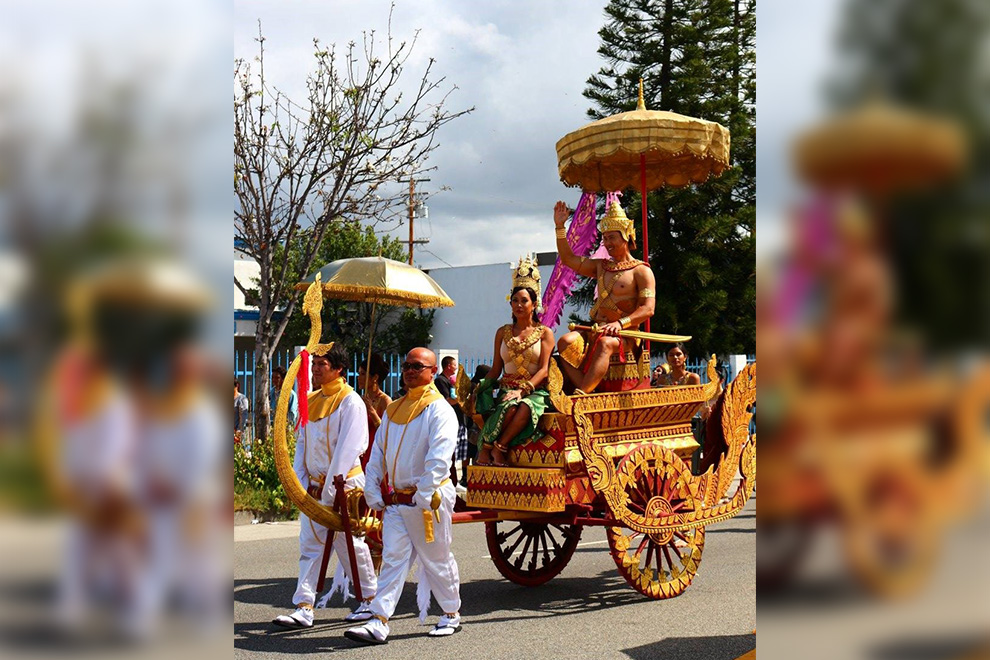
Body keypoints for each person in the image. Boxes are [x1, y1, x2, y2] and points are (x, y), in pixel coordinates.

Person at [344, 348, 462, 645]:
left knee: (435, 559)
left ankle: (451, 613)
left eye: (417, 366)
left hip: (428, 500)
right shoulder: (394, 408)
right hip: (397, 500)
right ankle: (379, 620)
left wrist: (424, 493)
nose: (410, 370)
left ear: (433, 372)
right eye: (407, 365)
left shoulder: (440, 410)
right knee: (393, 558)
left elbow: (439, 457)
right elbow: (378, 453)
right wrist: (373, 488)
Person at [272, 345, 378, 629]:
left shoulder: (351, 402)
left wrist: (331, 490)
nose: (316, 369)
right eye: (315, 363)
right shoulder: (310, 399)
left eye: (322, 364)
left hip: (345, 486)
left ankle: (370, 600)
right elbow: (303, 444)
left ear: (339, 368)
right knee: (310, 544)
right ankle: (304, 606)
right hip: (314, 487)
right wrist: (300, 483)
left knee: (351, 545)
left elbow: (348, 448)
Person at [553, 200, 657, 393]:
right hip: (596, 328)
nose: (607, 243)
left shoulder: (641, 271)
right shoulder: (601, 266)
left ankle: (583, 393)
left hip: (626, 334)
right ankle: (585, 388)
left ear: (626, 236)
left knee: (605, 343)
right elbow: (568, 259)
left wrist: (620, 324)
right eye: (605, 238)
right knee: (565, 342)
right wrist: (560, 227)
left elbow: (648, 309)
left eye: (612, 238)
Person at [475, 256, 555, 467]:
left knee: (524, 406)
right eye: (515, 300)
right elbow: (496, 369)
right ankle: (487, 449)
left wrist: (522, 390)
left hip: (534, 390)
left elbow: (544, 370)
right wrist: (479, 387)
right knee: (509, 407)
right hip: (507, 388)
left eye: (524, 301)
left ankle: (496, 448)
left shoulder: (545, 333)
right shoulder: (502, 332)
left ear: (534, 304)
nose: (519, 305)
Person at [434, 355, 467, 484]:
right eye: (454, 365)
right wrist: (461, 397)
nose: (456, 367)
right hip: (449, 421)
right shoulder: (441, 381)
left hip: (458, 418)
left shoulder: (450, 381)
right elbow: (448, 400)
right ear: (448, 366)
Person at [358, 353, 392, 466]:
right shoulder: (360, 399)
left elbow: (387, 431)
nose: (359, 377)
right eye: (359, 373)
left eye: (363, 374)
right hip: (361, 451)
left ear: (375, 378)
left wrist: (371, 411)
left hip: (376, 451)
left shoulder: (385, 400)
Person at [269, 365, 297, 431]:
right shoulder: (271, 392)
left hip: (285, 429)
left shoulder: (290, 394)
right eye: (273, 377)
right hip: (272, 428)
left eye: (277, 378)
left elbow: (292, 414)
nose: (274, 380)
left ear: (283, 379)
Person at [234, 378, 249, 448]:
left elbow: (243, 417)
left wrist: (238, 431)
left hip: (236, 433)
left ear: (236, 386)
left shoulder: (241, 399)